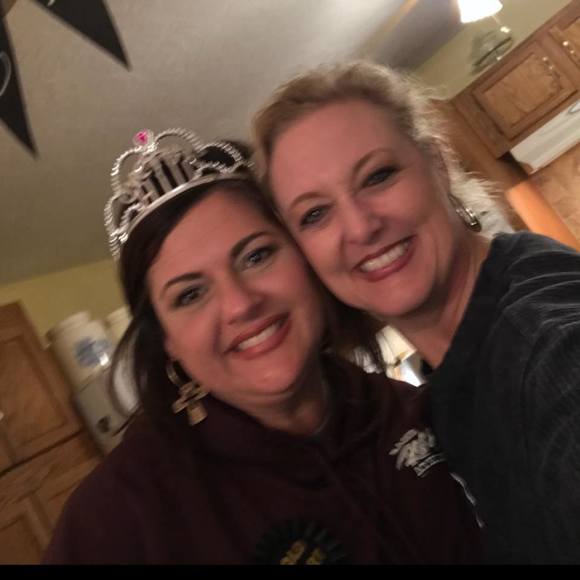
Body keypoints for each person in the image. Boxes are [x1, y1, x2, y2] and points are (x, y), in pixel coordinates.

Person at [43, 129, 481, 565]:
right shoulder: (119, 515)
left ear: (305, 258)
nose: (240, 304)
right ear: (167, 342)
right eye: (190, 295)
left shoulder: (410, 411)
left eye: (256, 256)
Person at [252, 60, 580, 564]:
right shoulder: (450, 382)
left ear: (437, 164)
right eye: (315, 214)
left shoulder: (547, 345)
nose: (360, 227)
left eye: (377, 176)